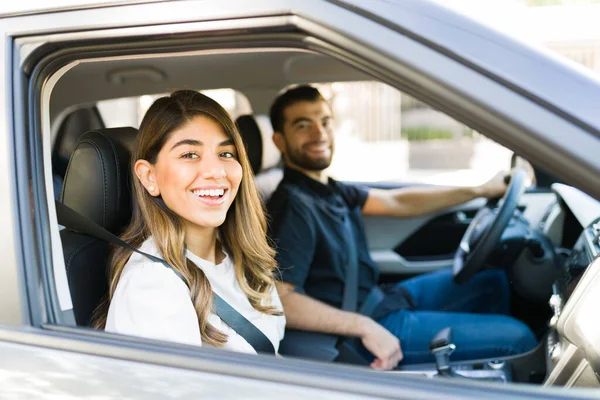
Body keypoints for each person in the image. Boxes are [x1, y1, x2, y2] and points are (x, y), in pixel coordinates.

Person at [266, 85, 537, 370]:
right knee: (519, 338)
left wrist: (479, 190)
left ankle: (480, 372)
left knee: (492, 281)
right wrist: (364, 326)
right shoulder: (292, 207)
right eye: (303, 125)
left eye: (324, 121)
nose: (319, 134)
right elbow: (280, 299)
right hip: (361, 327)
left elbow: (397, 201)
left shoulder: (328, 189)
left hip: (379, 299)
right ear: (279, 141)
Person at [92, 90, 285, 354]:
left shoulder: (239, 254)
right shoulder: (152, 285)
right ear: (149, 176)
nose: (216, 171)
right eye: (190, 155)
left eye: (226, 154)